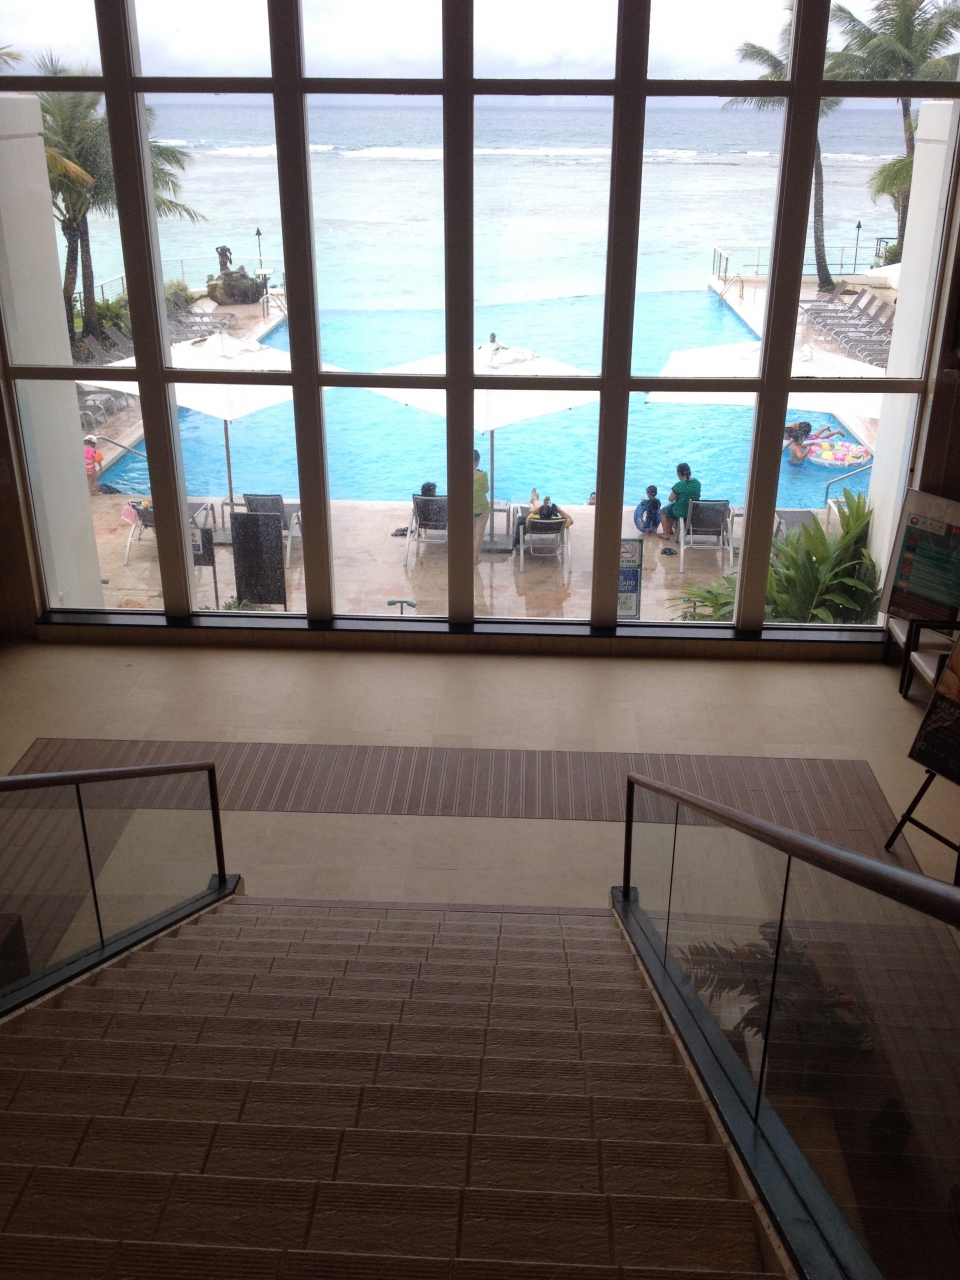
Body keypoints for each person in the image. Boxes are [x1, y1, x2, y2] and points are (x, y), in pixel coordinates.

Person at [658, 463, 701, 539]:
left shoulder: (679, 485)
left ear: (679, 474)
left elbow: (671, 499)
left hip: (681, 512)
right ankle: (670, 530)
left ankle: (665, 534)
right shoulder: (697, 483)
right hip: (692, 512)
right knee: (671, 507)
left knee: (663, 511)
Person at [473, 448, 490, 561]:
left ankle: (467, 557)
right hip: (482, 507)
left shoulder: (461, 476)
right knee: (479, 535)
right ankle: (474, 559)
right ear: (478, 461)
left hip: (468, 507)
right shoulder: (483, 475)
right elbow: (486, 490)